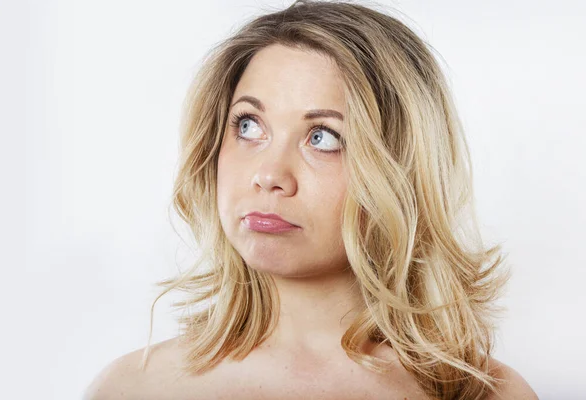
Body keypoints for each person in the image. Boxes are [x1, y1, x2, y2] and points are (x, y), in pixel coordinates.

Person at [84, 1, 539, 399]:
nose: (269, 175)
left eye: (322, 137)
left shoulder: (485, 395)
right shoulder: (130, 390)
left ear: (400, 167)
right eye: (248, 126)